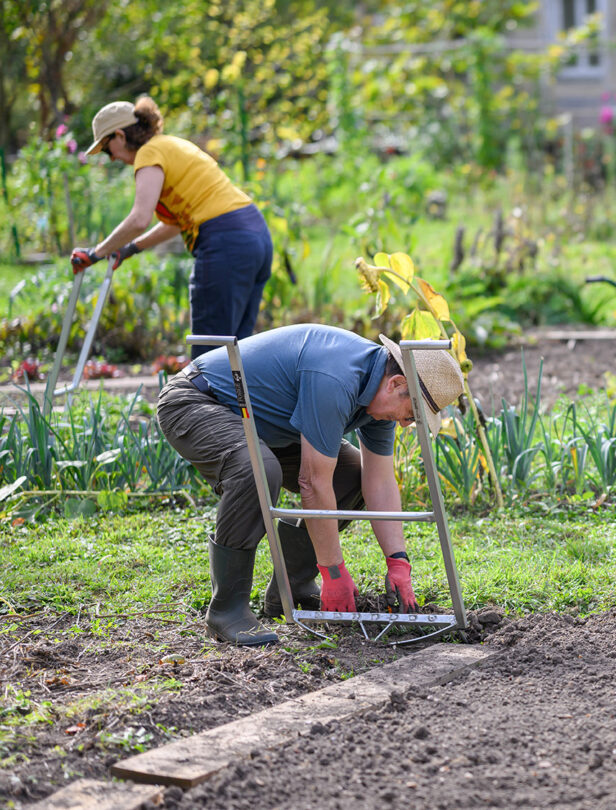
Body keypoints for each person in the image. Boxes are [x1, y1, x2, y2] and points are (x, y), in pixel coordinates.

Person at [155, 324, 466, 645]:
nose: (405, 423)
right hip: (197, 402)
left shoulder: (377, 397)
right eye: (411, 413)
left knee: (351, 474)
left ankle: (290, 588)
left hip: (267, 425)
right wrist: (333, 571)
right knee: (257, 471)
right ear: (396, 383)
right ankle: (226, 609)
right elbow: (313, 481)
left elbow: (379, 480)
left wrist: (398, 560)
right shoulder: (336, 377)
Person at [71, 98, 272, 358]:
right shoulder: (170, 144)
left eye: (107, 150)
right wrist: (129, 249)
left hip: (226, 242)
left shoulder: (149, 153)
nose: (111, 158)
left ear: (120, 136)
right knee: (236, 352)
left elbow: (139, 218)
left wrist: (96, 253)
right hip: (255, 236)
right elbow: (175, 222)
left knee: (209, 354)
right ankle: (238, 388)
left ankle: (206, 388)